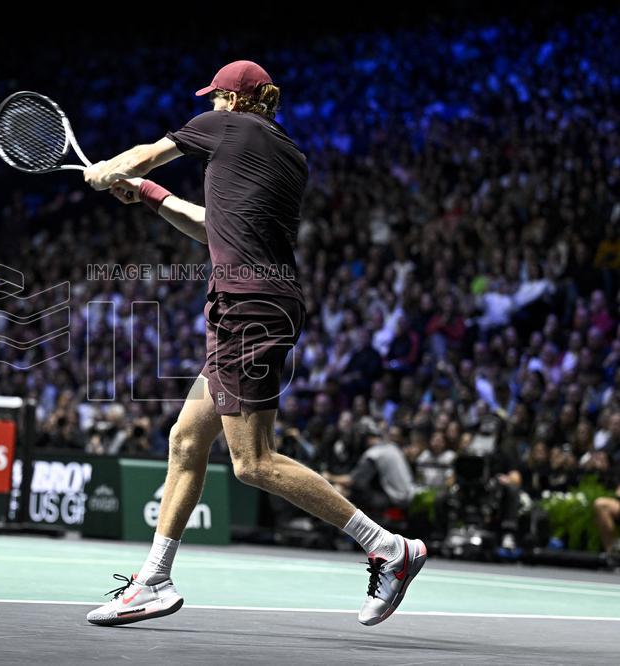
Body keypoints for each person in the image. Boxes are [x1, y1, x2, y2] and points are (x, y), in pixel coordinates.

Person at [82, 60, 426, 628]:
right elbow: (210, 226)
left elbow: (144, 153)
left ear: (235, 100)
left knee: (253, 462)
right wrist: (145, 192)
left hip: (249, 309)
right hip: (257, 305)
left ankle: (388, 547)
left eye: (216, 98)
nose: (211, 106)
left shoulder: (226, 125)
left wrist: (109, 171)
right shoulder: (288, 155)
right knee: (186, 439)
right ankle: (154, 579)